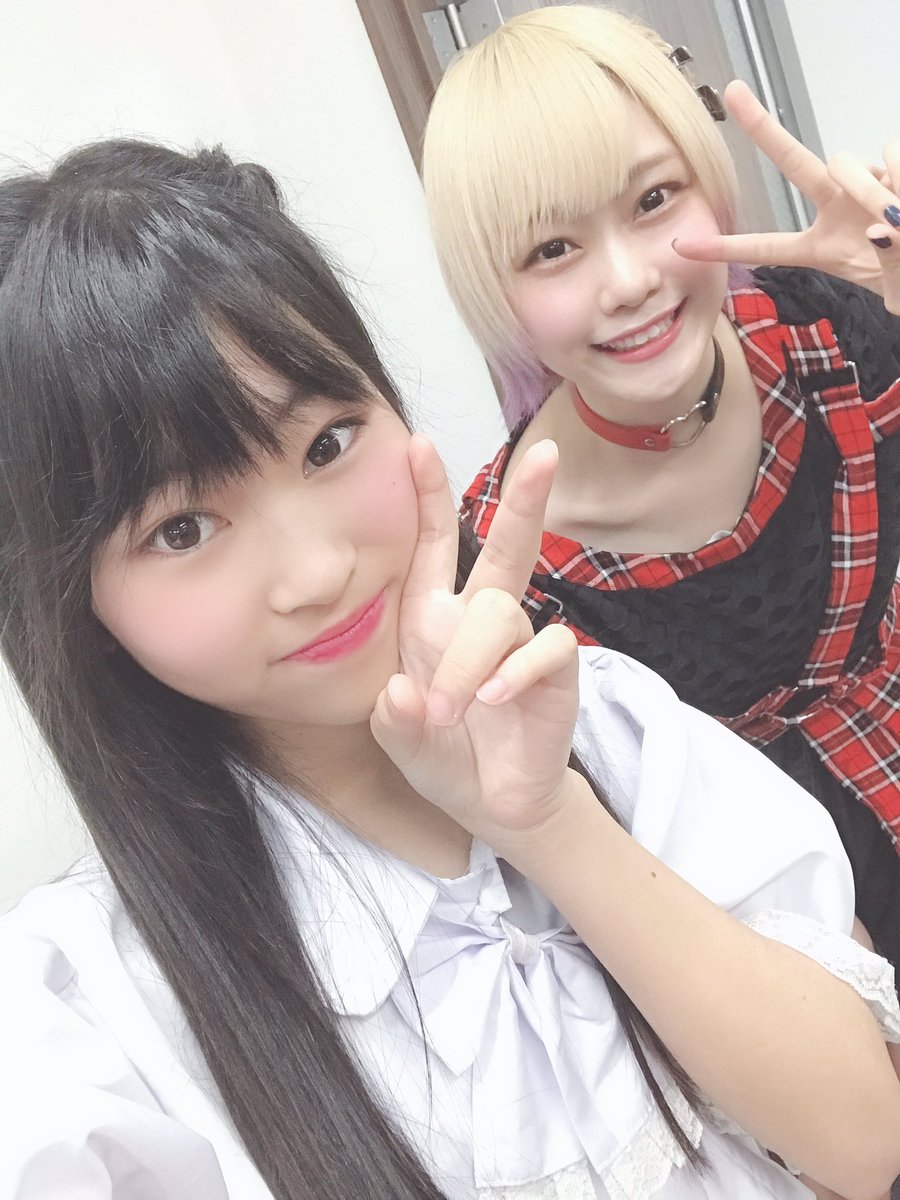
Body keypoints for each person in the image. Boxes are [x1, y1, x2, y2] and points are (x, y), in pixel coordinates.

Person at [0, 139, 898, 1200]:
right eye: (182, 528)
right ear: (69, 602)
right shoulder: (87, 1009)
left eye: (327, 444)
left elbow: (866, 1141)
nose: (318, 571)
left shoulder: (611, 724)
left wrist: (550, 826)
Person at [421, 4, 900, 973]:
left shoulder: (831, 333)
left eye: (652, 200)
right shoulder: (512, 572)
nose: (630, 280)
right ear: (490, 288)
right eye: (552, 249)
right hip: (782, 937)